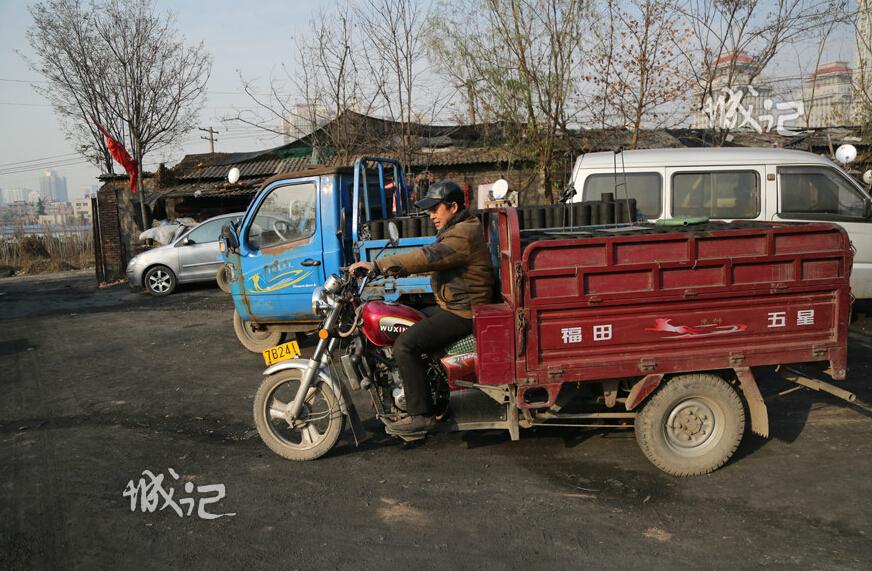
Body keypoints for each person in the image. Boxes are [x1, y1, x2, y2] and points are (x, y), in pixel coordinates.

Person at [349, 180, 494, 435]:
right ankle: (414, 400)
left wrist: (379, 266)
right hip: (455, 305)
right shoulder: (458, 229)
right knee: (406, 321)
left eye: (435, 208)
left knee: (405, 345)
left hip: (465, 311)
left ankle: (421, 414)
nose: (430, 214)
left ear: (453, 207)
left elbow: (428, 257)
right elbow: (429, 256)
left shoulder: (464, 233)